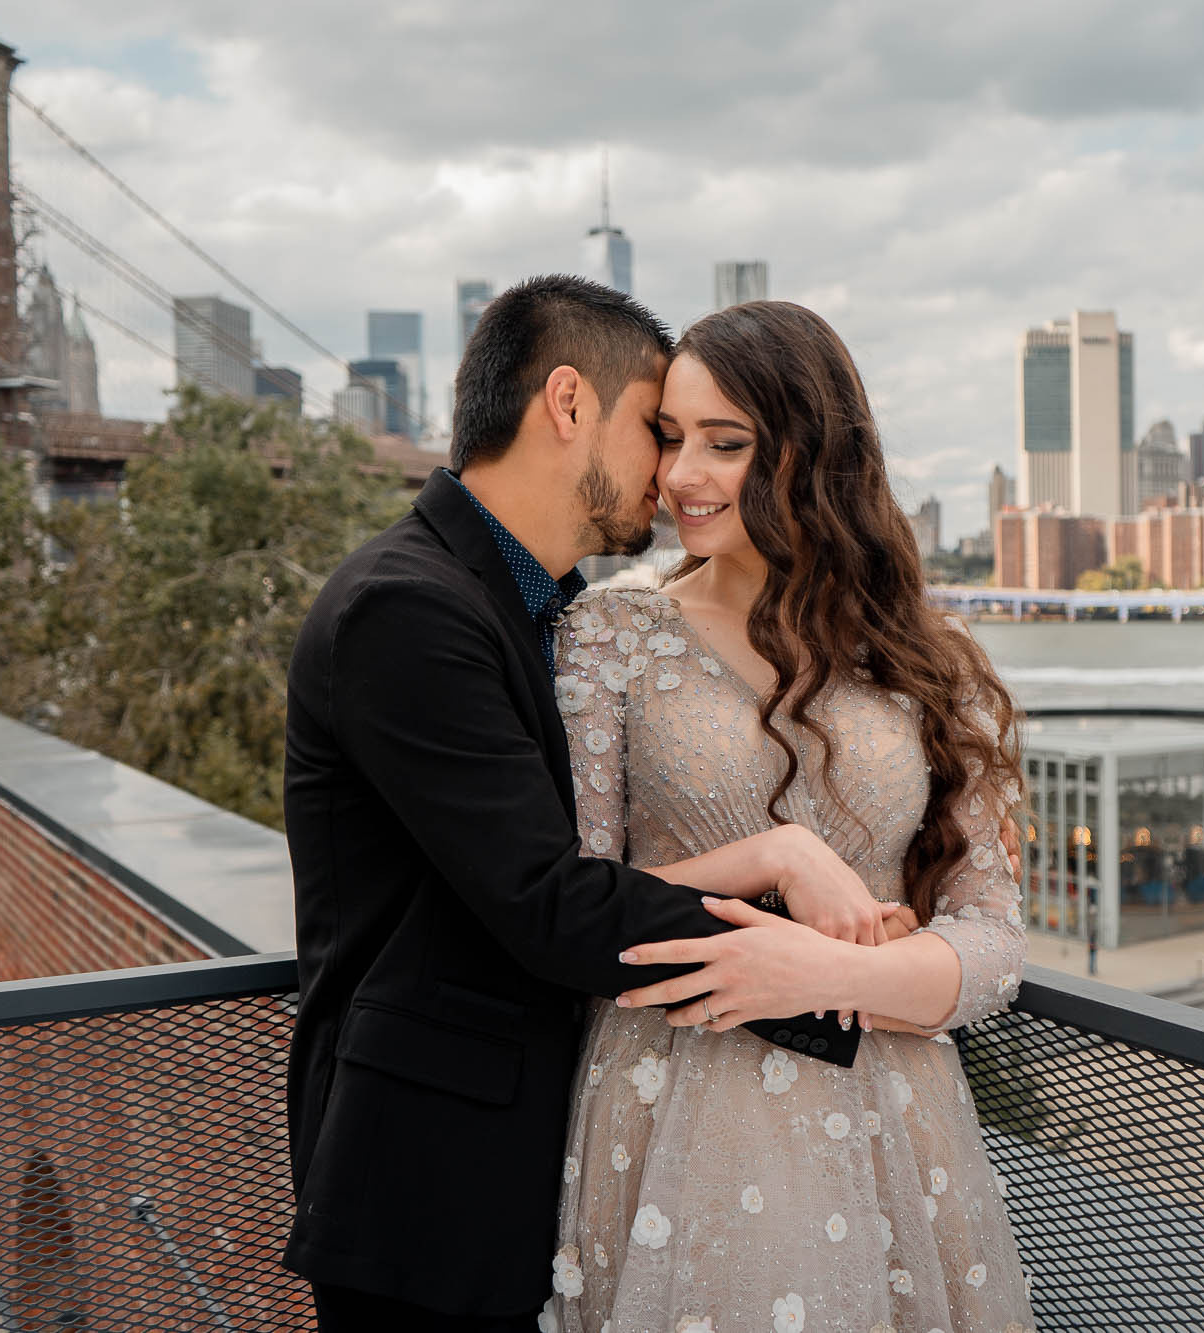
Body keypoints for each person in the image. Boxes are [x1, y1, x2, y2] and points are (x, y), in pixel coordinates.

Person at [281, 276, 881, 1331]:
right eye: (654, 427)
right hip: (427, 1186)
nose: (671, 470)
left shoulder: (517, 608)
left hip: (513, 1162)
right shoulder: (406, 608)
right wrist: (823, 957)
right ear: (567, 405)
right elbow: (546, 902)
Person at [544, 301, 1036, 1329]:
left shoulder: (928, 663)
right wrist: (765, 857)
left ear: (811, 454)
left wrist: (834, 972)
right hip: (675, 1100)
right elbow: (571, 906)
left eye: (726, 444)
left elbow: (992, 942)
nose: (682, 476)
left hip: (895, 1119)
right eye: (669, 438)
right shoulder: (612, 633)